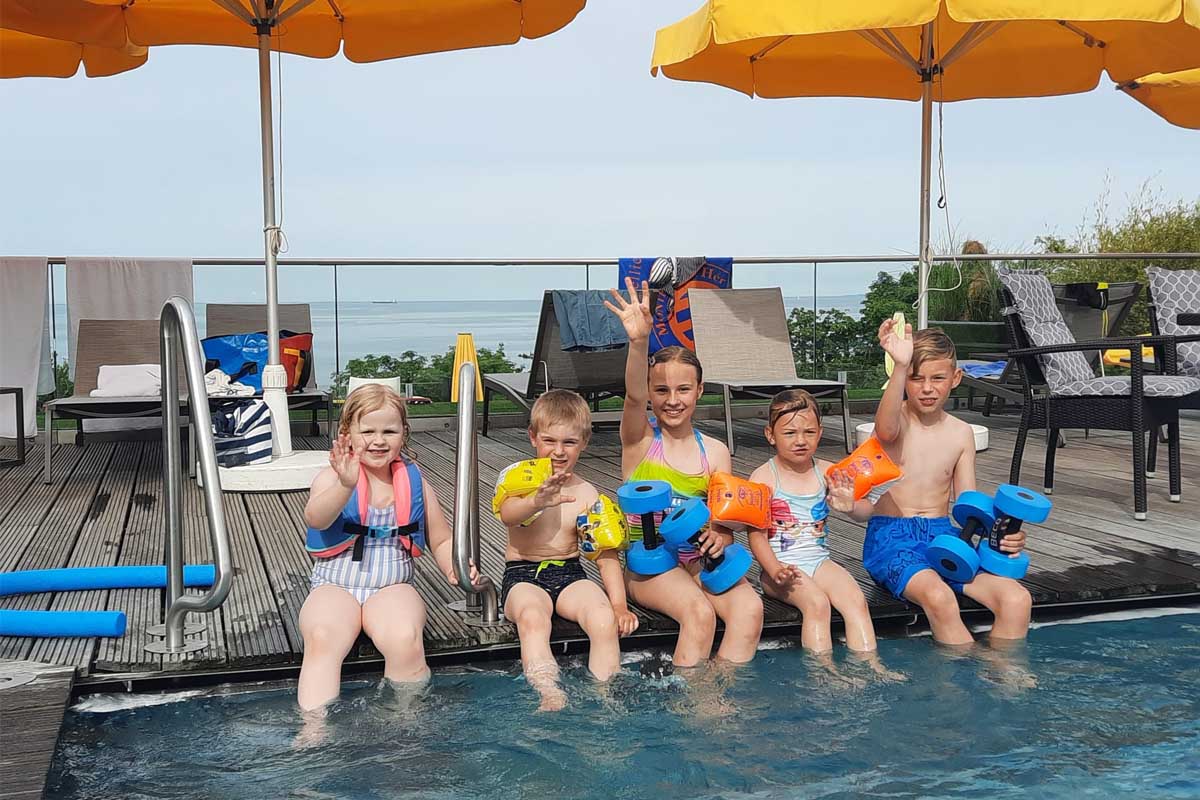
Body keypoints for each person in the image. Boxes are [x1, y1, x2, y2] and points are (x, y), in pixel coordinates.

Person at [605, 278, 764, 668]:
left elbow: (723, 522)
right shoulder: (640, 442)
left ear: (699, 390)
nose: (672, 400)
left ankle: (717, 690)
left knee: (750, 608)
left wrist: (719, 537)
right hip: (651, 568)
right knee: (699, 613)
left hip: (697, 560)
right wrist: (639, 343)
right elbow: (633, 398)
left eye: (683, 390)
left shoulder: (715, 452)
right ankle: (692, 704)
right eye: (661, 391)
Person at [298, 384, 468, 711]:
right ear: (347, 433)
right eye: (368, 431)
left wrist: (454, 568)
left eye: (389, 431)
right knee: (322, 637)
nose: (379, 440)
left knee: (405, 638)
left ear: (404, 433)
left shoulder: (414, 480)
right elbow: (316, 518)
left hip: (392, 587)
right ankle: (314, 731)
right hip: (335, 585)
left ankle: (404, 723)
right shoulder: (333, 477)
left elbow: (441, 538)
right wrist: (346, 485)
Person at [866, 321, 1031, 645]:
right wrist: (901, 363)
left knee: (1017, 600)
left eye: (937, 378)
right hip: (892, 538)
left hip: (945, 536)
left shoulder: (960, 434)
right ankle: (962, 683)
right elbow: (884, 430)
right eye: (916, 378)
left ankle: (1005, 681)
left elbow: (969, 504)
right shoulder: (895, 424)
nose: (927, 388)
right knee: (939, 597)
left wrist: (1005, 535)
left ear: (955, 379)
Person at [746, 389, 903, 680]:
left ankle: (873, 667)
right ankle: (825, 674)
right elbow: (755, 535)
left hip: (819, 562)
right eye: (790, 432)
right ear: (771, 435)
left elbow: (866, 512)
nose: (801, 440)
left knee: (855, 600)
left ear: (820, 433)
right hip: (779, 568)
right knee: (816, 604)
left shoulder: (829, 472)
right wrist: (774, 569)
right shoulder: (764, 478)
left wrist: (849, 505)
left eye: (809, 431)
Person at [495, 389, 625, 711]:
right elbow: (508, 516)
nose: (558, 451)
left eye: (569, 442)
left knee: (603, 618)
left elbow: (606, 554)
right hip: (523, 574)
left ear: (584, 442)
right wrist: (535, 501)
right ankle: (549, 692)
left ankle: (605, 694)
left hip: (570, 572)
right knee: (533, 618)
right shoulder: (517, 480)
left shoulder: (586, 492)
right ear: (533, 438)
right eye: (549, 441)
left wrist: (619, 605)